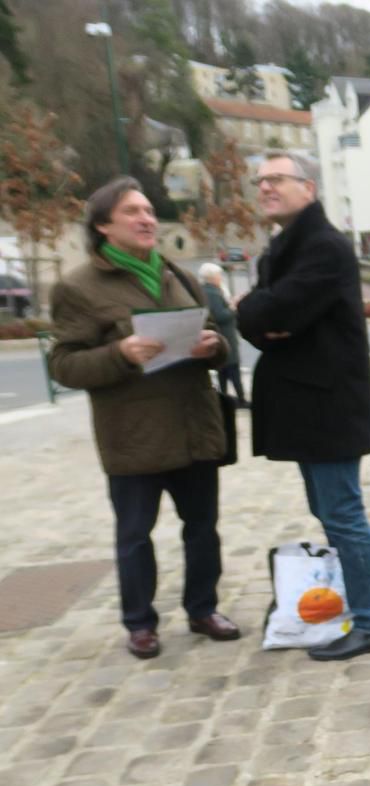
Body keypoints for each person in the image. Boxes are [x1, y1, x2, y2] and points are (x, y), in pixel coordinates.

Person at [49, 177, 241, 659]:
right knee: (135, 535)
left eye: (150, 210)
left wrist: (213, 346)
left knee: (203, 527)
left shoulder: (180, 274)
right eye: (133, 212)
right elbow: (64, 365)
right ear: (103, 226)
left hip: (193, 425)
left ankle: (203, 608)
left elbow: (217, 337)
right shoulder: (78, 287)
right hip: (133, 436)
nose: (147, 219)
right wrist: (121, 352)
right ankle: (140, 623)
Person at [236, 151, 370, 662]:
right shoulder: (285, 248)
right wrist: (260, 316)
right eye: (260, 180)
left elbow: (274, 310)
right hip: (308, 405)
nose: (265, 187)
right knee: (331, 512)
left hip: (327, 406)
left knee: (343, 514)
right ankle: (366, 605)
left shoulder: (323, 248)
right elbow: (260, 320)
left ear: (308, 187)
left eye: (276, 178)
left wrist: (260, 312)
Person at [198, 262, 249, 408]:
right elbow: (220, 315)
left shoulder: (206, 290)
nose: (220, 278)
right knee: (232, 369)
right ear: (212, 277)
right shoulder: (212, 292)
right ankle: (240, 400)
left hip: (219, 334)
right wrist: (234, 307)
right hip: (225, 335)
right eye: (219, 275)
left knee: (223, 371)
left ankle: (225, 399)